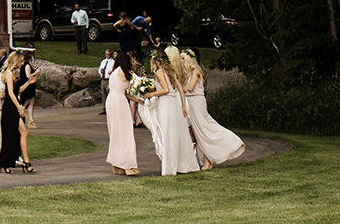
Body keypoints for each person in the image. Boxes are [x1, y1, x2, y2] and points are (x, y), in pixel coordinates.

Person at [180, 49, 244, 169]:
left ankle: (228, 143)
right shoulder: (188, 72)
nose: (181, 61)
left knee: (204, 129)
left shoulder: (196, 72)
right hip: (190, 102)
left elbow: (190, 87)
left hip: (197, 101)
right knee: (199, 131)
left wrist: (179, 83)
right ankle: (206, 160)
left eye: (183, 58)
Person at [142, 47, 199, 176]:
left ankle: (170, 167)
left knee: (167, 133)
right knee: (177, 133)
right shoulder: (171, 72)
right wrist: (183, 105)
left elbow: (165, 90)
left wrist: (150, 95)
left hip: (166, 103)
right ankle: (184, 164)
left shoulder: (159, 72)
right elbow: (179, 88)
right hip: (174, 104)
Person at [104, 51, 141, 175]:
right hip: (119, 101)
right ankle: (127, 165)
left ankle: (116, 164)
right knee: (125, 131)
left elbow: (125, 92)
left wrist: (138, 100)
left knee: (116, 132)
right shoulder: (124, 72)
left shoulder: (115, 72)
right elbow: (136, 82)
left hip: (113, 100)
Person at [18, 49, 38, 128]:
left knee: (31, 102)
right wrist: (36, 72)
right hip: (27, 87)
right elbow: (28, 76)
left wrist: (34, 69)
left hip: (30, 86)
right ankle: (19, 117)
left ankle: (31, 120)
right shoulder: (26, 65)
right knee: (26, 103)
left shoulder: (26, 65)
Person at [98, 49, 116, 115]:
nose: (108, 55)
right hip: (103, 78)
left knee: (109, 93)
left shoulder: (113, 62)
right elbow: (99, 69)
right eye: (107, 54)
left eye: (109, 54)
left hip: (109, 79)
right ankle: (104, 107)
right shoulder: (103, 61)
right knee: (103, 93)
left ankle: (110, 107)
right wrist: (101, 71)